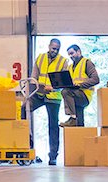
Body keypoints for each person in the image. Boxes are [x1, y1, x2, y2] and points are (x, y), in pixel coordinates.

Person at [22, 38, 68, 166]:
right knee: (24, 109)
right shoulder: (40, 58)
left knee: (53, 125)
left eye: (57, 49)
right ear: (49, 46)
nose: (55, 51)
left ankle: (53, 156)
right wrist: (35, 89)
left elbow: (64, 82)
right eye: (53, 48)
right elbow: (33, 77)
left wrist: (53, 88)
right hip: (38, 93)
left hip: (53, 96)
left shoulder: (63, 61)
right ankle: (26, 145)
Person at [59, 44, 100, 127]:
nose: (71, 56)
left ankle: (73, 118)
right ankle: (77, 127)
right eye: (69, 54)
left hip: (84, 95)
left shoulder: (87, 63)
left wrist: (80, 85)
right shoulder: (70, 67)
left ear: (79, 52)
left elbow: (96, 79)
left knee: (66, 92)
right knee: (79, 122)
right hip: (74, 95)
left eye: (72, 53)